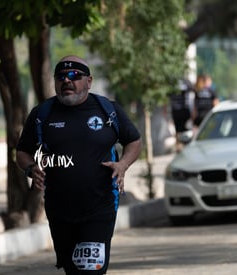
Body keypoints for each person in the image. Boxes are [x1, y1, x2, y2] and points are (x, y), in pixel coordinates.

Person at [16, 55, 142, 275]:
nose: (67, 80)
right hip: (59, 210)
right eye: (61, 76)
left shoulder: (107, 110)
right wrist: (30, 168)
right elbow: (22, 152)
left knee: (90, 271)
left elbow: (134, 140)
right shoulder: (42, 114)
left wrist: (123, 165)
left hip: (100, 206)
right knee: (73, 271)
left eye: (74, 75)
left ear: (89, 81)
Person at [166, 79, 195, 152]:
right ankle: (178, 147)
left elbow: (194, 92)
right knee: (177, 130)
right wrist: (165, 109)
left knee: (187, 129)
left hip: (185, 110)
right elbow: (167, 97)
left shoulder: (186, 82)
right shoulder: (171, 82)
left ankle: (188, 146)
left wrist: (193, 110)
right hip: (175, 111)